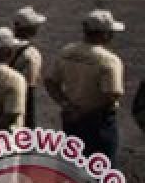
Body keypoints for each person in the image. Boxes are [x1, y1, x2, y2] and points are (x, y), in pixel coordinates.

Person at [46, 10, 125, 166]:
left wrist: (66, 104)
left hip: (71, 118)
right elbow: (111, 96)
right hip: (98, 123)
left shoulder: (67, 51)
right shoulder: (109, 60)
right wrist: (83, 113)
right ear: (104, 34)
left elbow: (50, 82)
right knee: (102, 172)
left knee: (73, 168)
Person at [11, 7, 47, 126]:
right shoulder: (32, 53)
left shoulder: (5, 44)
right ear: (32, 29)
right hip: (18, 100)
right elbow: (29, 87)